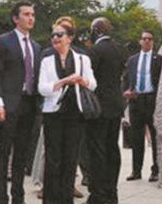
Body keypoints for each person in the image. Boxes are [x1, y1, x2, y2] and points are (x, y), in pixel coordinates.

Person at [0, 1, 40, 204]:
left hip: (29, 103)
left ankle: (18, 196)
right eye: (26, 14)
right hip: (8, 104)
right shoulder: (3, 41)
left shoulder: (36, 46)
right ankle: (2, 197)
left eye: (32, 14)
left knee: (22, 153)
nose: (30, 18)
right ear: (16, 18)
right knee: (3, 150)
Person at [38, 21, 96, 204]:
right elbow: (42, 88)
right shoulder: (46, 60)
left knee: (70, 158)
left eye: (59, 35)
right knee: (53, 159)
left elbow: (93, 84)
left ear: (69, 38)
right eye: (53, 35)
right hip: (52, 114)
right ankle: (50, 200)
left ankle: (65, 199)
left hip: (75, 114)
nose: (55, 38)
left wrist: (81, 80)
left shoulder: (82, 59)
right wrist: (63, 81)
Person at [85, 18, 125, 204]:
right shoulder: (118, 49)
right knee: (112, 149)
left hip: (99, 108)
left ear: (96, 30)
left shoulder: (95, 51)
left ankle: (98, 195)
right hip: (115, 106)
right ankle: (111, 192)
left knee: (97, 151)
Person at [123, 31, 162, 182]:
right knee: (136, 137)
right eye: (144, 38)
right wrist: (125, 91)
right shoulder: (132, 60)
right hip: (136, 99)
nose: (146, 41)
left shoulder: (159, 59)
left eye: (149, 39)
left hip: (151, 99)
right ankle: (136, 170)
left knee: (154, 136)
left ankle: (155, 170)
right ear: (140, 41)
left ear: (153, 42)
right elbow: (126, 78)